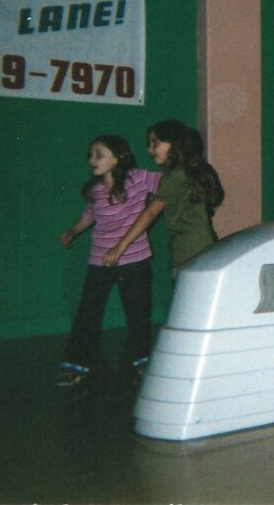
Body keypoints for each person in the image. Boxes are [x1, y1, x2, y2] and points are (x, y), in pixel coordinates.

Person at [56, 135, 161, 388]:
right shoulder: (95, 189)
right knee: (87, 314)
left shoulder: (139, 178)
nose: (92, 160)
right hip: (100, 260)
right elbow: (90, 216)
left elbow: (171, 187)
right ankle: (77, 364)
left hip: (135, 260)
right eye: (91, 155)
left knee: (137, 314)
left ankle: (141, 361)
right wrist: (72, 231)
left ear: (118, 157)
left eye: (99, 154)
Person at [104, 120, 224, 275]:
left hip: (188, 250)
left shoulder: (175, 177)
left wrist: (120, 246)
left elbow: (150, 213)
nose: (150, 149)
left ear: (174, 143)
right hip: (204, 245)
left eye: (155, 143)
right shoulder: (187, 172)